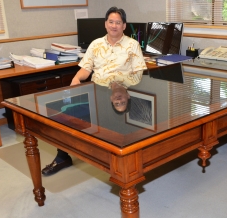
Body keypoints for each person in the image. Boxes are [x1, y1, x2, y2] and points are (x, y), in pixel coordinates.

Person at [41, 6, 147, 176]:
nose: (114, 26)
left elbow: (138, 76)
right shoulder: (96, 44)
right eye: (111, 22)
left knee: (115, 125)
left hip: (122, 96)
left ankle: (118, 162)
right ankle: (62, 156)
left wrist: (116, 83)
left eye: (118, 23)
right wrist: (76, 78)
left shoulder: (132, 45)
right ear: (105, 24)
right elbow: (86, 69)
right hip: (96, 93)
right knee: (63, 114)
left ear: (124, 25)